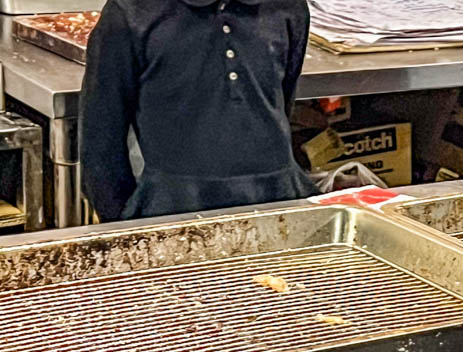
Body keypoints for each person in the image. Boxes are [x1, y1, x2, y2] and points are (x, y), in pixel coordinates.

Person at [81, 0, 316, 222]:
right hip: (171, 215)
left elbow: (282, 105)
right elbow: (100, 145)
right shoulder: (131, 12)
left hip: (281, 209)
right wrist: (124, 230)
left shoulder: (288, 7)